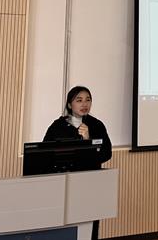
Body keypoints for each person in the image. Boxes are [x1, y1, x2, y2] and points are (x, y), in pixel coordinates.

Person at [43, 86, 112, 240]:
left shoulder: (96, 125)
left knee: (89, 226)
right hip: (64, 184)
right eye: (79, 100)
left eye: (88, 100)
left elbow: (106, 154)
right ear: (70, 104)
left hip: (90, 184)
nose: (84, 104)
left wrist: (88, 140)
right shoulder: (58, 126)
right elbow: (45, 154)